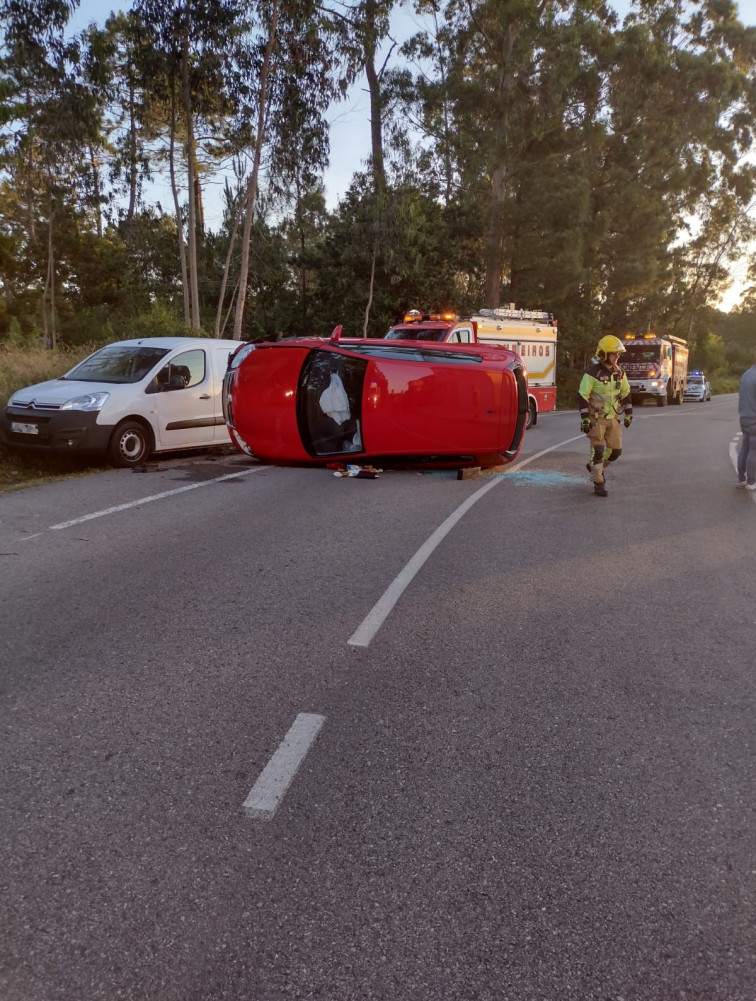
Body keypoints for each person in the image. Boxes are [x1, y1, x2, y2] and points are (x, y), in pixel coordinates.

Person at [578, 335, 633, 497]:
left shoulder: (619, 372)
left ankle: (595, 467)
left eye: (618, 354)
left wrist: (629, 413)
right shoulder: (592, 374)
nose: (617, 357)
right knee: (599, 450)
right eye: (614, 353)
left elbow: (626, 392)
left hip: (613, 418)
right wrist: (585, 418)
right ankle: (599, 482)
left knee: (616, 452)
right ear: (603, 354)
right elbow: (582, 396)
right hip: (596, 419)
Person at [737, 350, 756, 490]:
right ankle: (751, 482)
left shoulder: (745, 375)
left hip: (744, 417)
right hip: (754, 418)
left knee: (745, 447)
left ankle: (741, 479)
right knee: (753, 450)